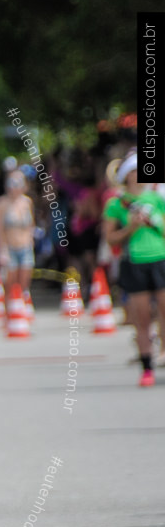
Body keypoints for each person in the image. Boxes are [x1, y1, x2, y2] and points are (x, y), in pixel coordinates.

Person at [102, 152, 165, 386]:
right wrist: (132, 227)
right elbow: (110, 239)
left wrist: (154, 223)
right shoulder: (117, 203)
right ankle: (146, 366)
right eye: (135, 171)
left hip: (160, 259)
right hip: (135, 261)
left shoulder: (157, 198)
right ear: (127, 175)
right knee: (142, 319)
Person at [0, 170, 37, 296]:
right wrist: (2, 250)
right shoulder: (1, 203)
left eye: (18, 183)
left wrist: (30, 240)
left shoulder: (27, 202)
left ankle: (21, 310)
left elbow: (31, 224)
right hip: (9, 247)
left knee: (24, 283)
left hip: (25, 246)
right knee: (9, 284)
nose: (14, 186)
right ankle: (9, 312)